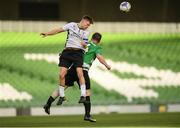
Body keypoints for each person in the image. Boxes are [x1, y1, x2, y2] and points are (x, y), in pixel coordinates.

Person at [43, 32, 111, 122]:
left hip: (73, 68)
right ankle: (87, 115)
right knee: (87, 93)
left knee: (62, 87)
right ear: (99, 41)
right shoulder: (96, 47)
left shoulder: (83, 44)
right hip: (83, 70)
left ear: (92, 38)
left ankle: (48, 104)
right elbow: (99, 57)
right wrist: (107, 65)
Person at [40, 15, 94, 104]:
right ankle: (62, 96)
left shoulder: (86, 32)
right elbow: (59, 30)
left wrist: (84, 44)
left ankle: (83, 95)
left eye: (89, 25)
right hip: (67, 52)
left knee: (80, 72)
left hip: (78, 53)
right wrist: (47, 33)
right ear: (83, 20)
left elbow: (85, 43)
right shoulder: (71, 25)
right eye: (87, 24)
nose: (87, 26)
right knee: (62, 74)